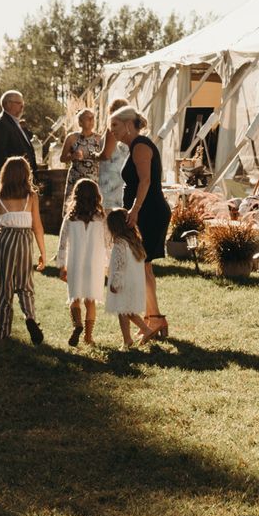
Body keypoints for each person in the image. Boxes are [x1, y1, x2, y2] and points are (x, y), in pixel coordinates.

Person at [112, 106, 172, 341]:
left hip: (149, 213)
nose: (112, 130)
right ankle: (152, 317)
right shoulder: (134, 146)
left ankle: (155, 318)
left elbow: (145, 181)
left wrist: (135, 210)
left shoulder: (140, 146)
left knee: (143, 265)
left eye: (115, 125)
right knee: (144, 266)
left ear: (129, 124)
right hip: (143, 212)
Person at [0, 157, 48, 344]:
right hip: (25, 241)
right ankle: (30, 317)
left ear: (5, 175)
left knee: (6, 287)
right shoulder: (31, 196)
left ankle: (3, 333)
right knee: (25, 284)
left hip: (7, 240)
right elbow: (37, 227)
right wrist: (43, 253)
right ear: (26, 175)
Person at [56, 178, 110, 347]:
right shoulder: (101, 218)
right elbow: (107, 243)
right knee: (90, 300)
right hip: (94, 264)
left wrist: (61, 266)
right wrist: (107, 265)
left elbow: (62, 243)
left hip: (75, 262)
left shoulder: (70, 218)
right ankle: (88, 336)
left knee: (75, 298)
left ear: (76, 196)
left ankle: (77, 325)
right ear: (96, 196)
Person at [105, 211, 151, 347]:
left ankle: (127, 340)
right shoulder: (134, 241)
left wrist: (115, 283)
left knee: (122, 311)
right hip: (134, 281)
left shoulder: (120, 243)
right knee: (128, 310)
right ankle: (146, 329)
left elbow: (120, 264)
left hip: (124, 282)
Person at [0, 90, 39, 190]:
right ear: (8, 104)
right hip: (10, 181)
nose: (22, 106)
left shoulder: (14, 123)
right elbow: (0, 156)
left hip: (21, 180)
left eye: (23, 103)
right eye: (19, 103)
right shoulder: (0, 124)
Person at [62, 109, 105, 203]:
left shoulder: (100, 139)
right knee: (73, 204)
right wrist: (73, 156)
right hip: (76, 178)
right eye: (88, 118)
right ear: (80, 122)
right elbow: (62, 158)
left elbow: (105, 157)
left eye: (92, 118)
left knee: (93, 205)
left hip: (93, 178)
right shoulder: (71, 138)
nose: (91, 120)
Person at [96, 96, 130, 212]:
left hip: (109, 178)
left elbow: (106, 154)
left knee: (109, 212)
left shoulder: (113, 128)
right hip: (121, 174)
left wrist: (94, 155)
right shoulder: (128, 128)